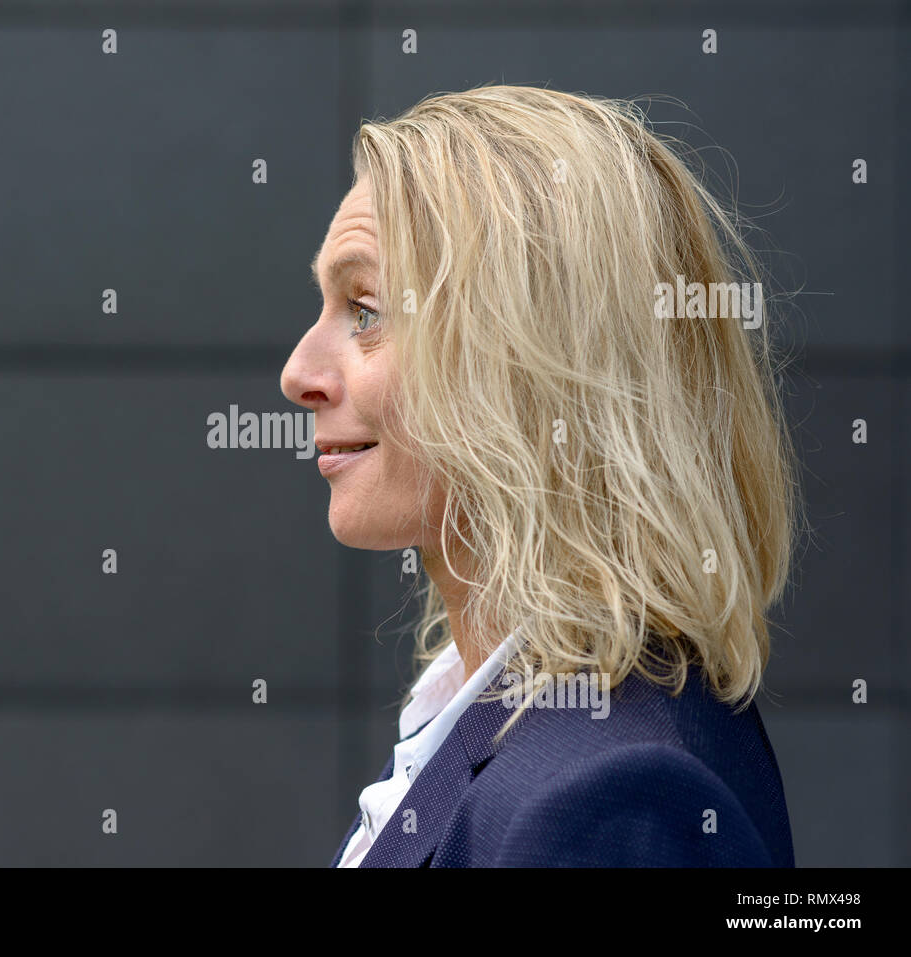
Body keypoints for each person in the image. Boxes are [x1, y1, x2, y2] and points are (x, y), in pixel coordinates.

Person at [280, 85, 801, 867]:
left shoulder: (611, 803)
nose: (298, 373)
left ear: (530, 360)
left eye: (365, 309)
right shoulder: (517, 724)